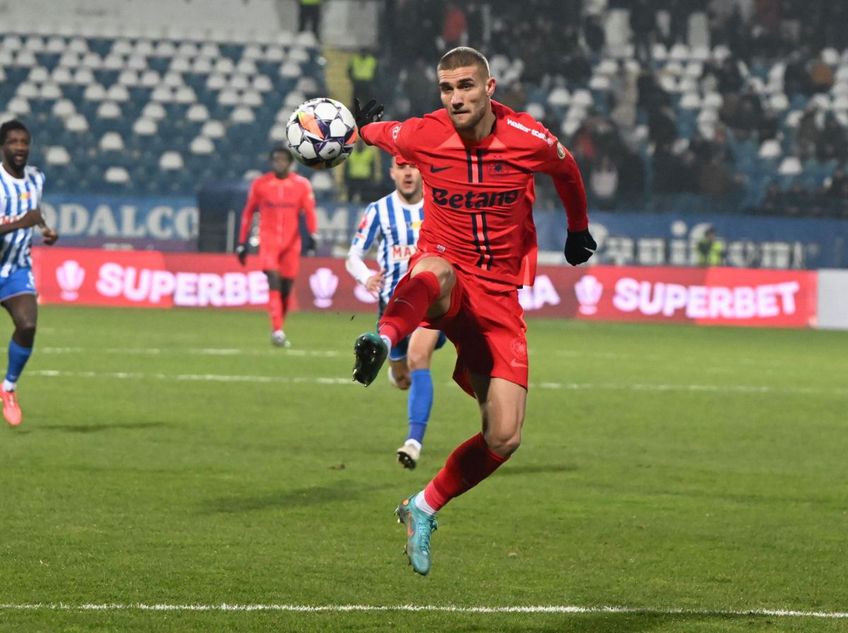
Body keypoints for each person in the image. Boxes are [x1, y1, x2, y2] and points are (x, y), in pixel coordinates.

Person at [349, 46, 596, 575]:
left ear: (490, 87)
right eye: (446, 88)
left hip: (499, 297)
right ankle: (385, 337)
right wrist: (349, 130)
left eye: (465, 85)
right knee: (431, 270)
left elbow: (568, 170)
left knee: (504, 435)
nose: (455, 97)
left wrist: (578, 229)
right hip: (448, 272)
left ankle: (422, 506)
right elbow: (374, 133)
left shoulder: (527, 139)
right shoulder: (422, 133)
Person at [346, 155, 447, 469]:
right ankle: (395, 371)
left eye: (413, 167)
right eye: (401, 167)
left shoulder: (438, 205)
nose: (407, 173)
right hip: (393, 310)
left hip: (431, 308)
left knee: (420, 359)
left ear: (421, 171)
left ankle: (413, 442)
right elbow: (353, 256)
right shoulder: (379, 210)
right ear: (391, 173)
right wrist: (366, 276)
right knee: (404, 377)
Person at [0, 119, 59, 426]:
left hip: (16, 269)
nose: (20, 147)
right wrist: (24, 221)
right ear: (2, 146)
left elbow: (33, 213)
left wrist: (46, 229)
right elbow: (24, 217)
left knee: (27, 324)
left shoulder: (36, 178)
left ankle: (8, 387)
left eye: (24, 142)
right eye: (14, 142)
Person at [236, 145, 317, 348]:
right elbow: (248, 213)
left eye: (283, 160)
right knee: (273, 280)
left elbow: (309, 212)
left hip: (292, 244)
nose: (279, 163)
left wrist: (313, 234)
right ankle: (277, 330)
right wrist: (241, 242)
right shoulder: (261, 184)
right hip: (269, 241)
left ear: (290, 163)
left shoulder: (302, 185)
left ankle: (280, 325)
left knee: (286, 289)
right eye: (276, 160)